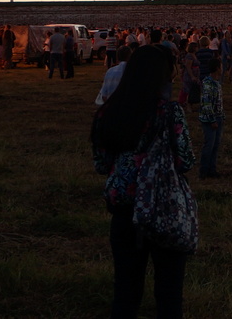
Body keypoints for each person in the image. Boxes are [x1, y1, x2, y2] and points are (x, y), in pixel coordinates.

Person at [91, 47, 193, 319]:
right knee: (169, 293)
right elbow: (185, 161)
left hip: (124, 209)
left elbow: (101, 164)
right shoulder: (169, 113)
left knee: (125, 291)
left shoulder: (108, 112)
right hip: (163, 206)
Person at [197, 58, 223, 179]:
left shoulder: (215, 83)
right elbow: (207, 103)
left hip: (217, 117)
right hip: (210, 119)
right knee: (209, 144)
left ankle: (211, 169)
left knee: (215, 144)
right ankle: (204, 170)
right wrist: (212, 119)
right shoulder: (208, 84)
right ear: (217, 68)